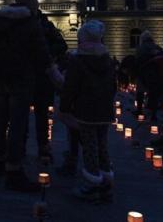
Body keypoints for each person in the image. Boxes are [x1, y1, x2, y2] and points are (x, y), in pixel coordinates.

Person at [0, 0, 51, 192]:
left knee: (2, 120)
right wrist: (56, 77)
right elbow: (42, 52)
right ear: (30, 2)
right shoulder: (29, 22)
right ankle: (14, 171)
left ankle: (1, 163)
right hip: (20, 79)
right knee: (18, 123)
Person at [59, 20, 116, 202]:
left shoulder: (78, 60)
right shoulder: (107, 59)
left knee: (90, 146)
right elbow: (113, 86)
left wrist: (65, 107)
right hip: (104, 110)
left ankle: (92, 184)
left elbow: (71, 86)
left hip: (86, 110)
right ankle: (106, 181)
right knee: (102, 145)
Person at [15, 0, 67, 163]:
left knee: (41, 116)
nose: (26, 3)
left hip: (41, 77)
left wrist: (45, 55)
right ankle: (18, 149)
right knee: (19, 116)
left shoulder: (45, 24)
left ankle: (43, 148)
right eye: (21, 0)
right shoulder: (12, 22)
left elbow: (61, 45)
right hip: (21, 76)